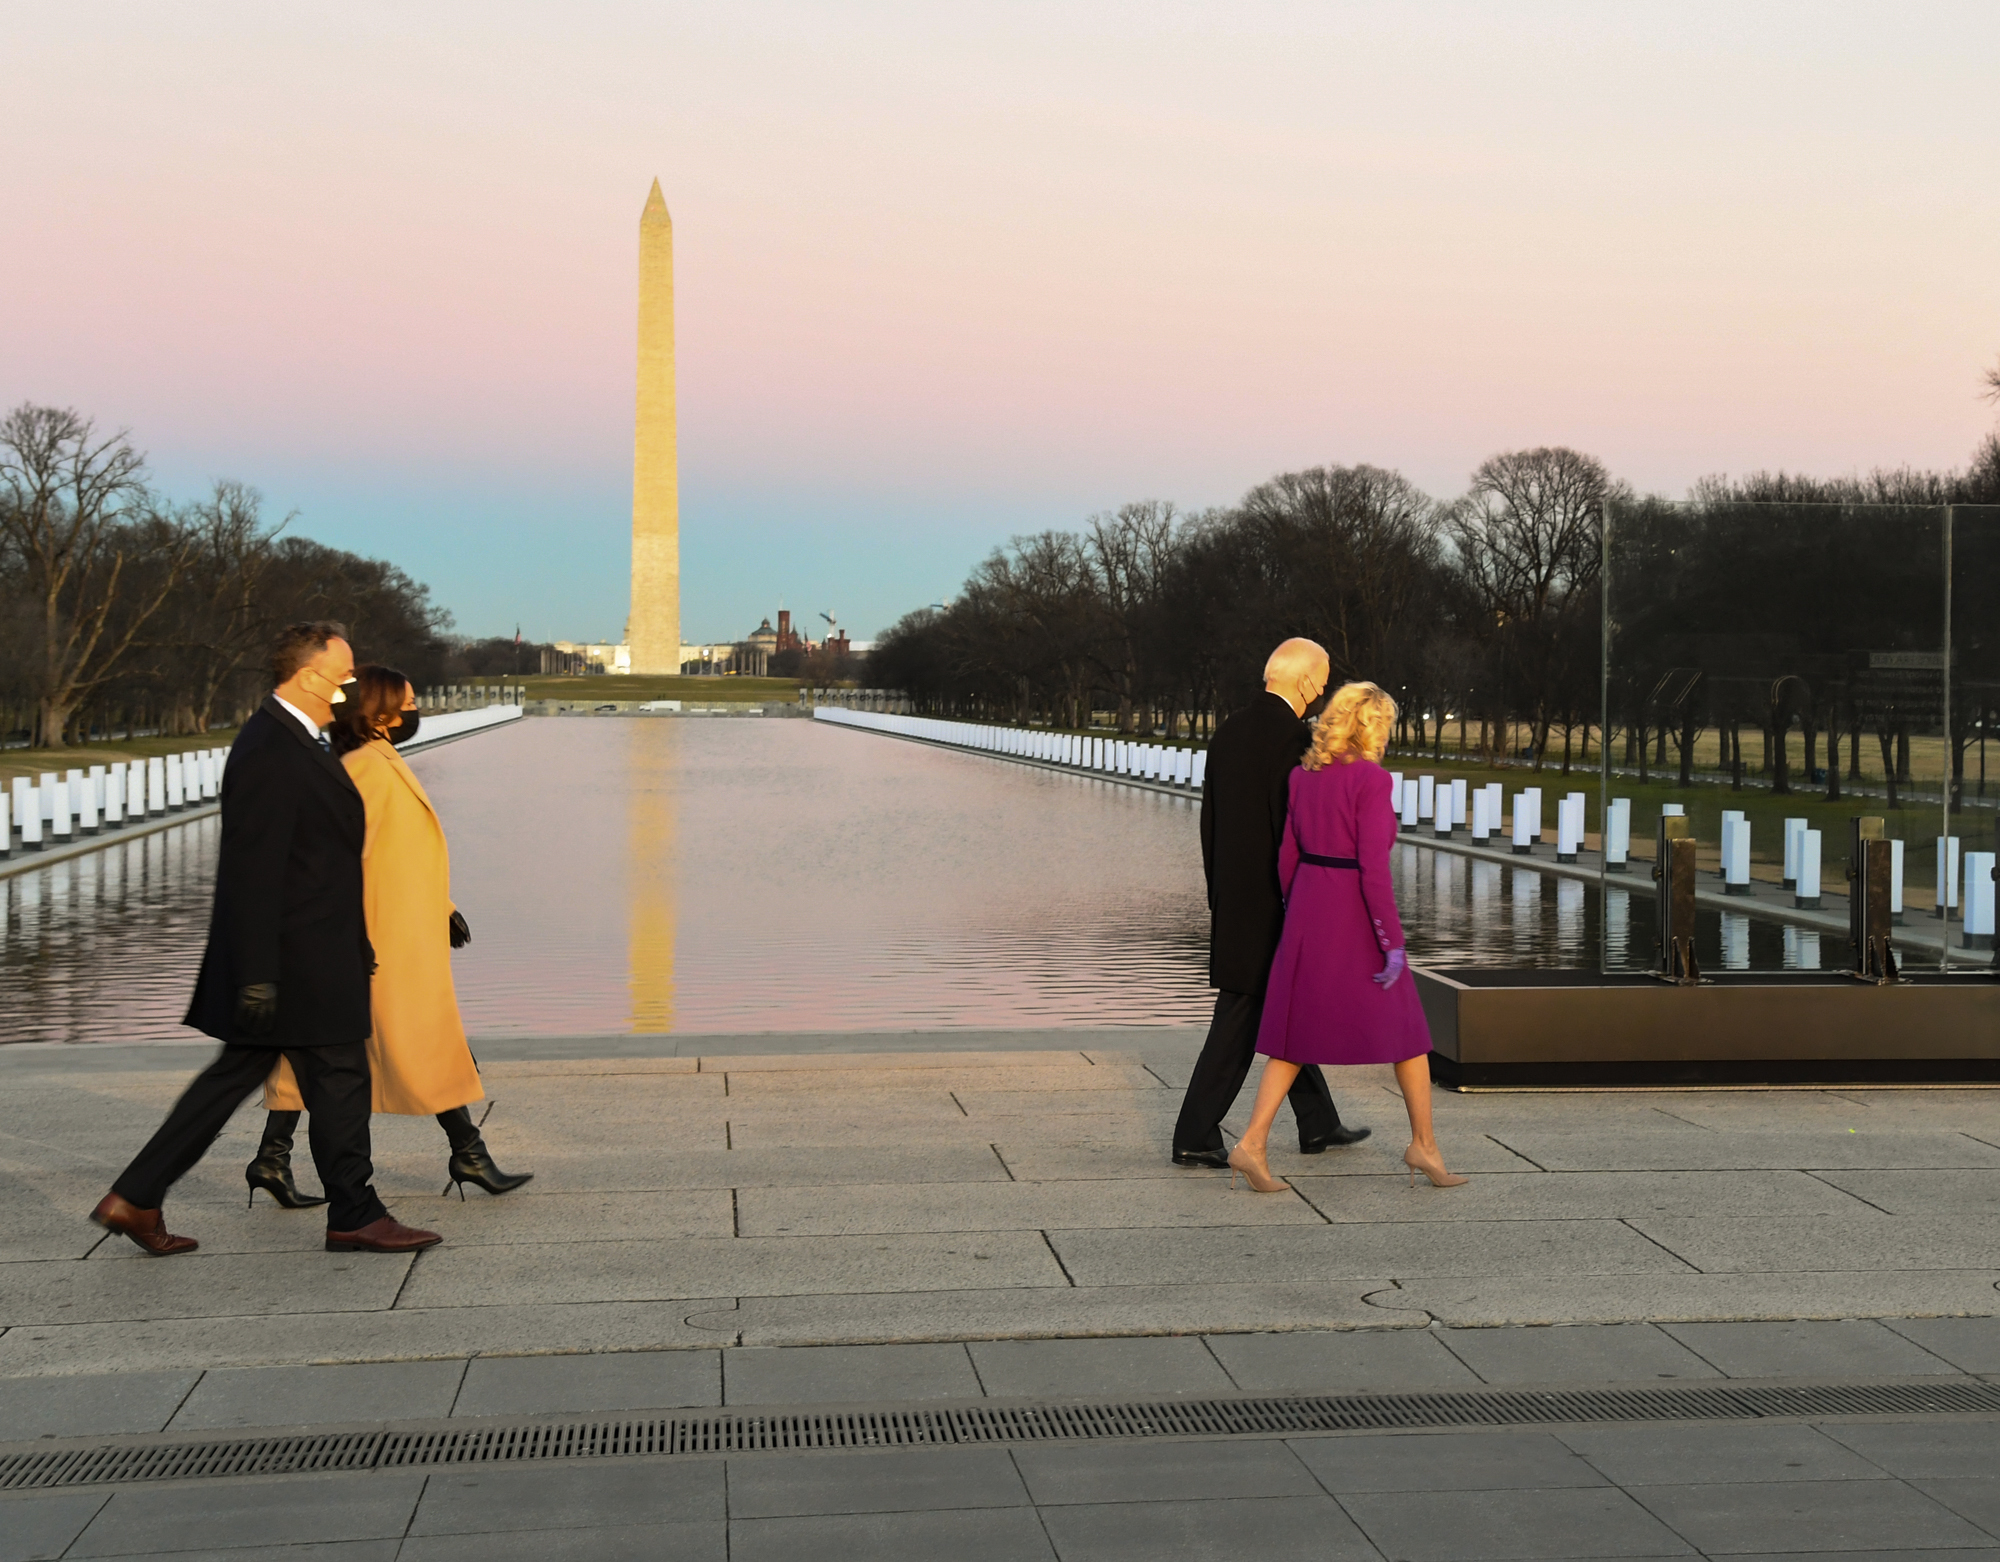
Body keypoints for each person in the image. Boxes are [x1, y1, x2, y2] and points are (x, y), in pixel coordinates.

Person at [89, 623, 442, 1256]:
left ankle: (136, 1197)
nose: (353, 685)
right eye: (345, 675)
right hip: (294, 961)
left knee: (241, 1079)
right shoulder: (271, 749)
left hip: (309, 953)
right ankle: (354, 1213)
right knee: (337, 1077)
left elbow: (318, 859)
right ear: (310, 678)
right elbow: (252, 868)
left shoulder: (298, 740)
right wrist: (256, 972)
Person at [249, 665, 531, 1205]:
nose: (416, 710)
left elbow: (398, 854)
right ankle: (468, 1153)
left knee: (325, 1047)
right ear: (378, 712)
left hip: (394, 928)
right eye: (409, 700)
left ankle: (272, 1159)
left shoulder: (376, 760)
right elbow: (335, 859)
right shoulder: (364, 769)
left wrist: (442, 906)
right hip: (378, 938)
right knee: (416, 1040)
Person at [1227, 680, 1467, 1193]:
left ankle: (1251, 1142)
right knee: (1409, 1034)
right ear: (1372, 724)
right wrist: (1391, 940)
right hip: (1354, 914)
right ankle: (1423, 1145)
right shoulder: (1371, 781)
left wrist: (1300, 911)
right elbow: (1374, 871)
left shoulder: (1302, 777)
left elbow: (1286, 858)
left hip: (1311, 909)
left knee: (1294, 1038)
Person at [1171, 638, 1368, 1168]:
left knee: (1284, 1011)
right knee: (1242, 1018)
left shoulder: (1230, 729)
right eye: (1321, 681)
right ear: (1304, 682)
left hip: (1235, 898)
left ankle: (1318, 1123)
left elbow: (1210, 820)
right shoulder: (1292, 740)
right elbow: (1294, 833)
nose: (1323, 691)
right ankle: (1193, 1133)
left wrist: (1220, 893)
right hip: (1275, 905)